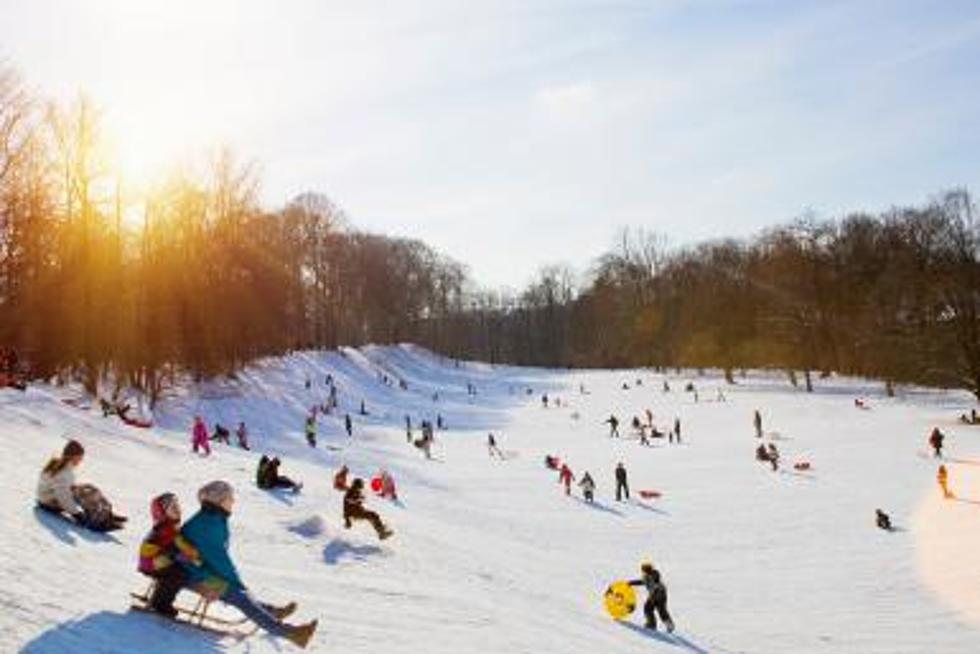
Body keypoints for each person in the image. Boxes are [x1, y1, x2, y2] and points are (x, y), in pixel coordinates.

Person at [180, 481, 317, 647]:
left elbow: (213, 559)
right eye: (229, 498)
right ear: (219, 501)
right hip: (191, 574)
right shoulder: (209, 525)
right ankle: (291, 633)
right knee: (239, 594)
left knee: (240, 592)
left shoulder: (213, 519)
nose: (233, 501)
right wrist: (236, 583)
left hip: (197, 570)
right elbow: (220, 562)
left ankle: (271, 612)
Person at [36, 440, 126, 531]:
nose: (81, 460)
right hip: (48, 503)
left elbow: (59, 487)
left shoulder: (60, 464)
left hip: (47, 498)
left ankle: (106, 514)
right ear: (73, 456)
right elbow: (63, 497)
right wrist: (77, 515)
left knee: (89, 488)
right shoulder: (63, 472)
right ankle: (97, 520)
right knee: (84, 492)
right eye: (80, 457)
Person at [138, 493, 200, 617]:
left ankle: (158, 596)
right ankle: (161, 604)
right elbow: (180, 546)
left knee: (176, 569)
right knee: (178, 574)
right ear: (163, 513)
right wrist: (197, 558)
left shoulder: (169, 526)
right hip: (152, 563)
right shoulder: (167, 528)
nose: (177, 510)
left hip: (156, 560)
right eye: (173, 508)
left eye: (177, 506)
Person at [628, 563, 674, 632]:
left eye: (644, 570)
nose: (643, 572)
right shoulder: (646, 576)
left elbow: (656, 578)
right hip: (656, 594)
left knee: (655, 609)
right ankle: (653, 623)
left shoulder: (654, 574)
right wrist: (630, 583)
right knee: (650, 609)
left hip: (658, 593)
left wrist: (653, 580)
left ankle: (660, 624)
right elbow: (641, 582)